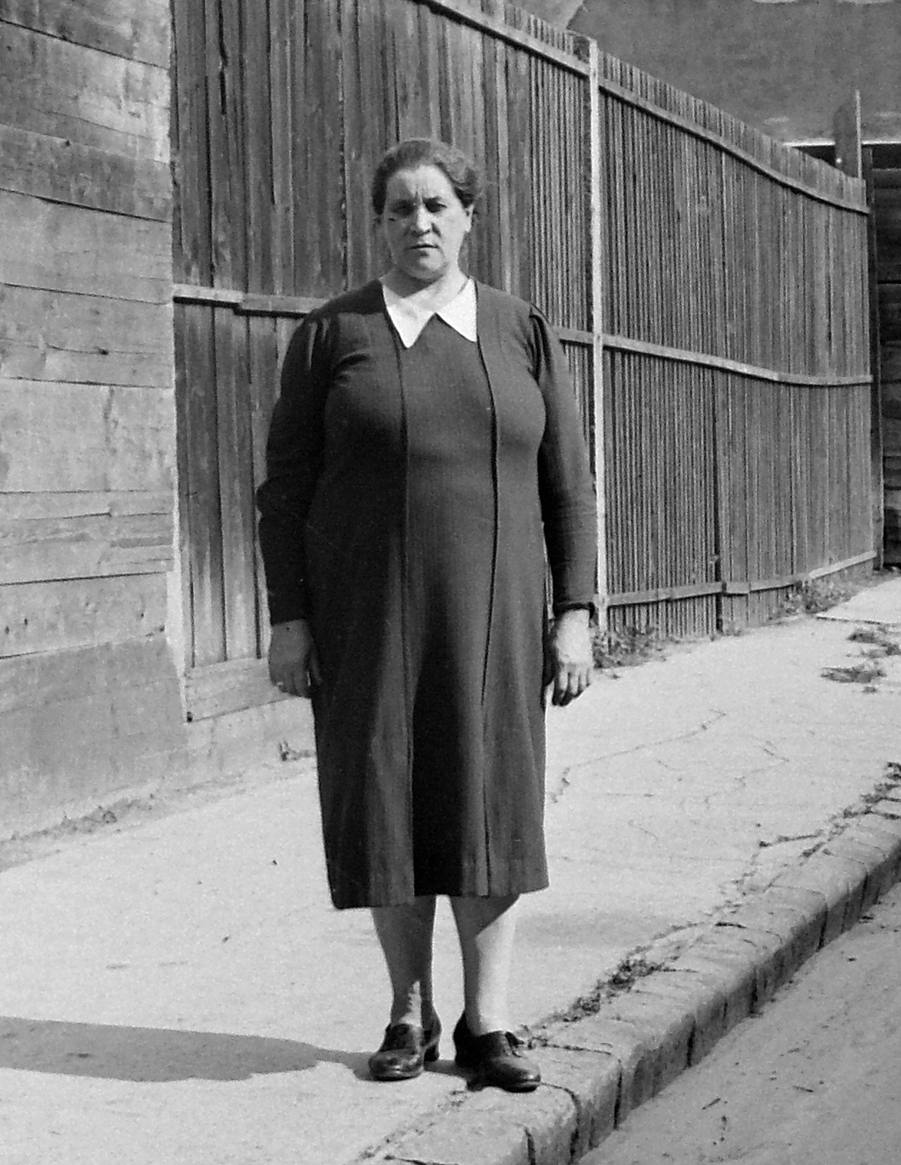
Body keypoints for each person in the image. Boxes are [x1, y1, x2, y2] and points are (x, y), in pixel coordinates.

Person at [256, 137, 597, 1092]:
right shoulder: (331, 337)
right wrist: (291, 619)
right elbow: (283, 491)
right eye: (401, 208)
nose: (420, 224)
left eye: (437, 206)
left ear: (468, 217)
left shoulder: (518, 328)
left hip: (494, 614)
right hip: (364, 614)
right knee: (388, 805)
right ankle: (408, 1011)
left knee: (488, 804)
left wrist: (574, 610)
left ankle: (488, 1025)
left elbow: (566, 482)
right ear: (378, 223)